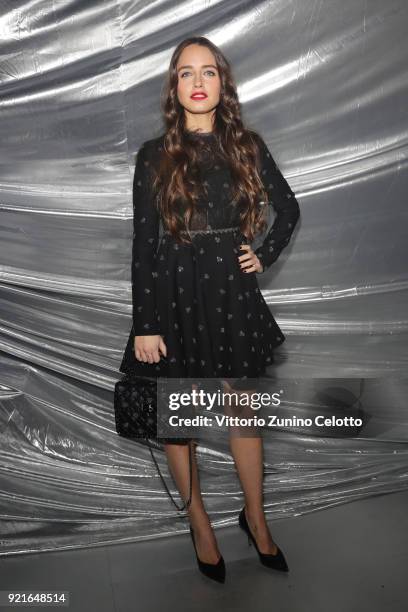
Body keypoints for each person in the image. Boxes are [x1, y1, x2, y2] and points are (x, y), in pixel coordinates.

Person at [118, 36, 300, 583]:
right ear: (174, 87)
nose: (197, 82)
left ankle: (257, 519)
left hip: (230, 294)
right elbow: (143, 243)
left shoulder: (246, 144)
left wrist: (262, 254)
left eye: (208, 72)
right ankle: (199, 524)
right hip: (172, 296)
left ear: (223, 82)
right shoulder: (153, 155)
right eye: (185, 73)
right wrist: (145, 324)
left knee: (243, 412)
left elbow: (287, 209)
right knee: (182, 422)